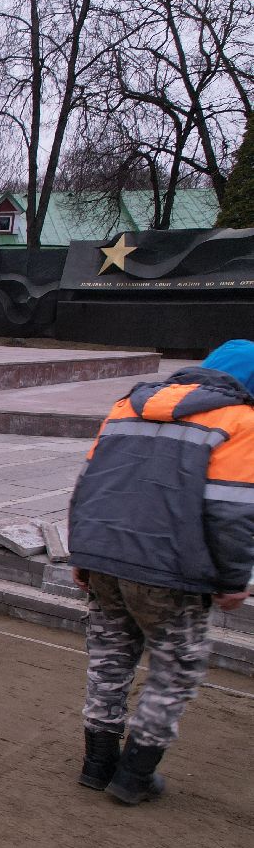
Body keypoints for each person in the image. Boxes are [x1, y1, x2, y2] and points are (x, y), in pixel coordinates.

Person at [68, 339, 254, 805]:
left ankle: (97, 765)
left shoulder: (125, 408)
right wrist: (233, 579)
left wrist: (82, 556)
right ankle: (134, 776)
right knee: (176, 668)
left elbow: (87, 486)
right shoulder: (240, 421)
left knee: (109, 660)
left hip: (106, 559)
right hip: (170, 572)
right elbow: (231, 512)